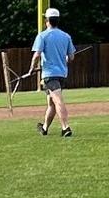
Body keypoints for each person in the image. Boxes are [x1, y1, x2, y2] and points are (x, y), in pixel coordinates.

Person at [30, 7, 76, 137]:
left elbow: (37, 55)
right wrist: (64, 59)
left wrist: (31, 68)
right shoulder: (66, 36)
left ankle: (65, 128)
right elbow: (71, 57)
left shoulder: (42, 36)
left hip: (50, 75)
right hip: (62, 74)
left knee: (57, 100)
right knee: (52, 103)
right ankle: (44, 128)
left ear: (47, 21)